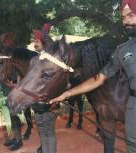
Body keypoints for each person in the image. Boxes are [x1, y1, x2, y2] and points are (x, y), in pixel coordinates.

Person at [50, 1, 136, 152]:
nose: (126, 21)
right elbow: (99, 78)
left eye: (131, 15)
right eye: (123, 18)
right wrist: (67, 93)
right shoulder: (122, 50)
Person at [32, 24, 57, 153]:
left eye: (37, 41)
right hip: (36, 102)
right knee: (41, 131)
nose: (34, 43)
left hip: (48, 102)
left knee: (50, 132)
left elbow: (58, 82)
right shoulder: (33, 60)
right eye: (34, 41)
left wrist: (55, 100)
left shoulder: (53, 61)